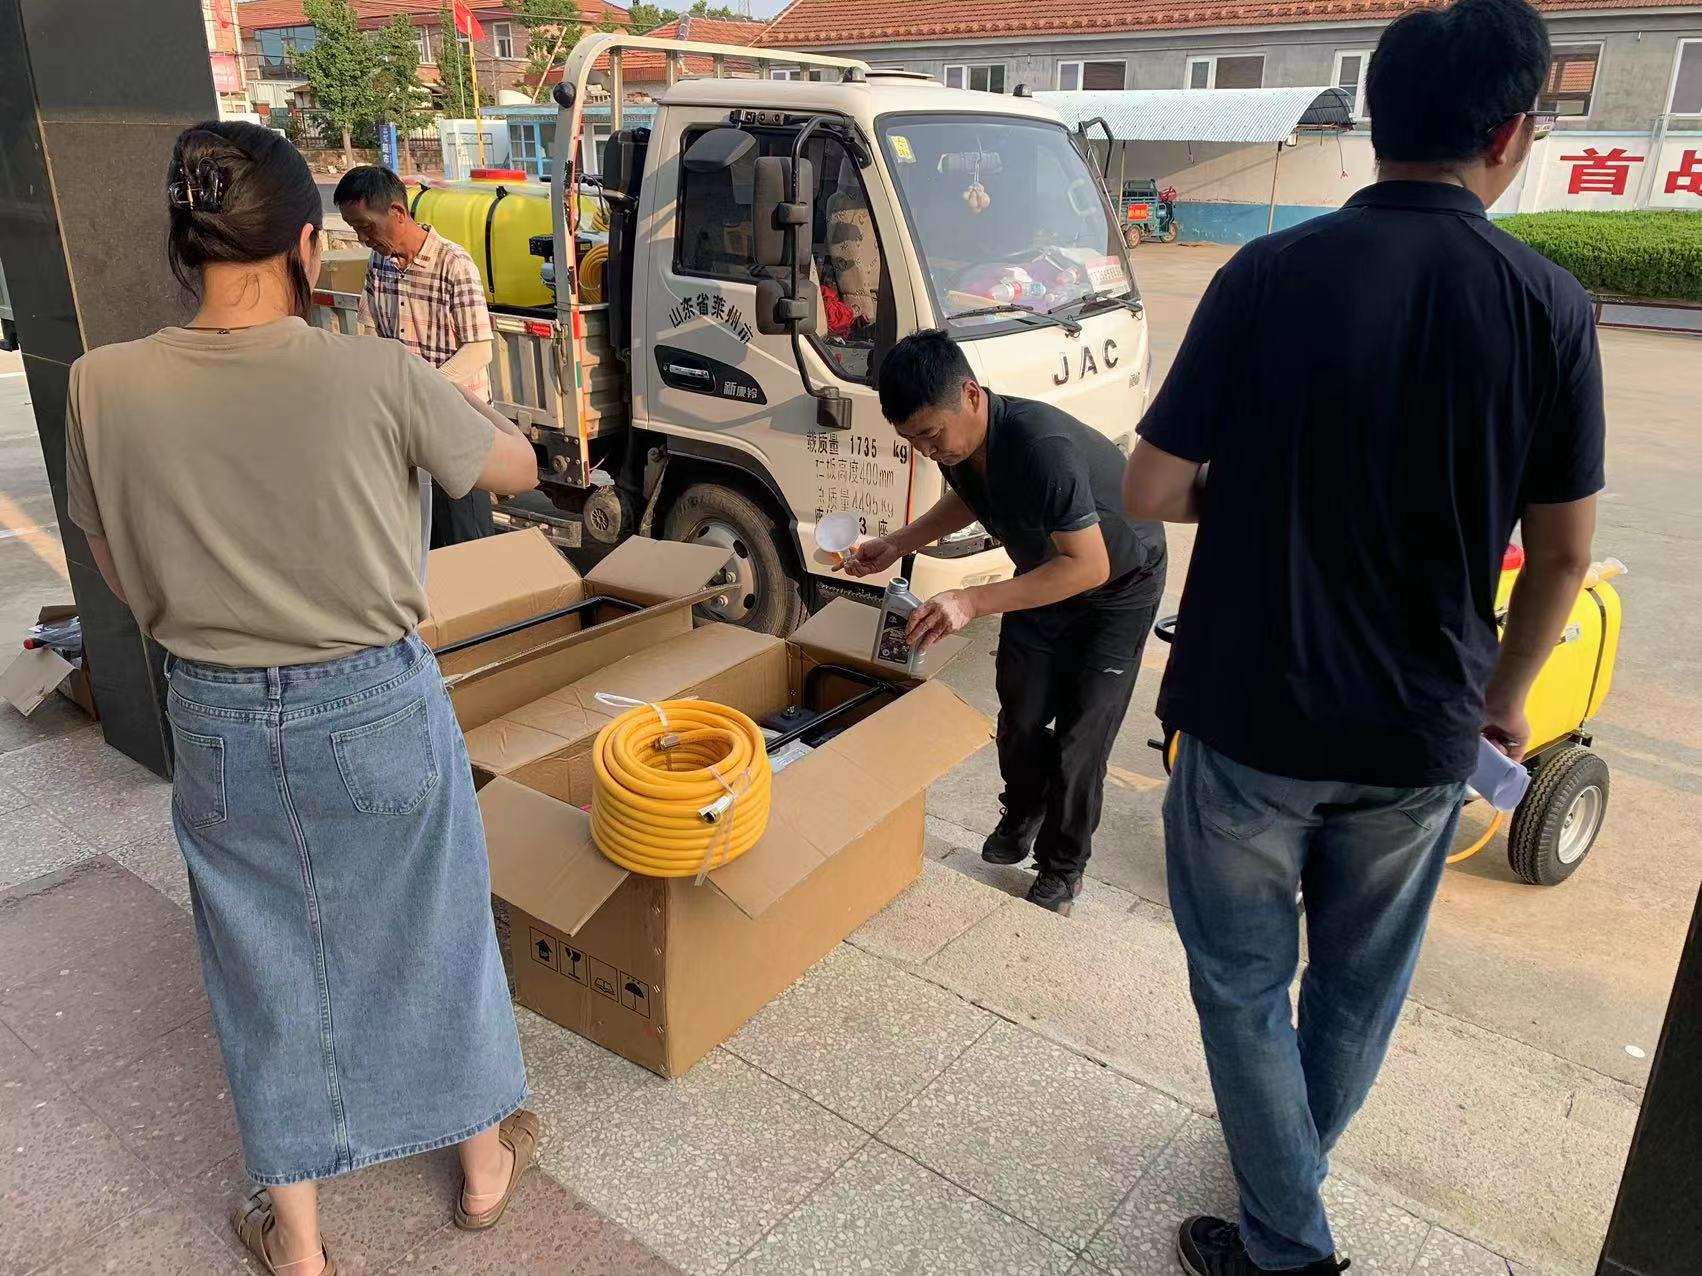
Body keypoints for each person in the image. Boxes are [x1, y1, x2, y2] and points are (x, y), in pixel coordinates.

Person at [1121, 2, 1603, 1272]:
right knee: (1352, 990)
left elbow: (1150, 488)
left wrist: (1258, 490)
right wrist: (1506, 698)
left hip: (1245, 709)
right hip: (1420, 725)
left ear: (1376, 122)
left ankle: (1286, 1234)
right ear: (1507, 134)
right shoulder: (1549, 306)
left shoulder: (1263, 274)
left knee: (1238, 982)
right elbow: (1560, 555)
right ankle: (1286, 1184)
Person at [64, 122, 542, 1276]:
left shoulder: (99, 384)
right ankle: (482, 1171)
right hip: (372, 702)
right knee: (434, 929)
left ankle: (299, 1238)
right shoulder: (375, 371)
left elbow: (116, 565)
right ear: (306, 246)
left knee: (260, 959)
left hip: (214, 713)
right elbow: (517, 469)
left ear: (187, 242)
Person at [847, 329, 1167, 913]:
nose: (927, 450)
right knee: (1019, 714)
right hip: (1047, 572)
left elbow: (1090, 565)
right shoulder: (961, 445)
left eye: (930, 434)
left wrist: (972, 601)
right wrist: (897, 542)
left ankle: (1063, 866)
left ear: (971, 395)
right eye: (911, 440)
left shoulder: (1040, 446)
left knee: (1081, 736)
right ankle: (1024, 810)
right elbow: (970, 496)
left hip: (1118, 585)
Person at [334, 164, 498, 548]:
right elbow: (370, 332)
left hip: (458, 426)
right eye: (354, 229)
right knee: (422, 542)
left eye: (366, 227)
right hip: (407, 429)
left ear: (397, 212)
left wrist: (423, 389)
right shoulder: (380, 263)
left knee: (467, 541)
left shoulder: (453, 264)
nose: (362, 239)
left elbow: (479, 349)